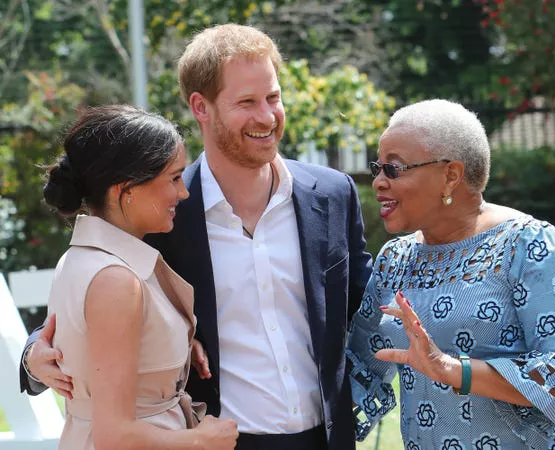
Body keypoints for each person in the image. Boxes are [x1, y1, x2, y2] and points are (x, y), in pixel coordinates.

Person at [21, 24, 372, 450]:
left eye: (273, 98)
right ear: (200, 107)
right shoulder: (160, 211)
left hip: (327, 440)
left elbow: (365, 307)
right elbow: (91, 302)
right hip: (212, 440)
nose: (266, 116)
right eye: (246, 102)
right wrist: (32, 357)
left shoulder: (334, 194)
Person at [346, 99, 555, 449]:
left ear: (451, 175)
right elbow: (359, 370)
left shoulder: (526, 244)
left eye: (395, 169)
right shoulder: (396, 259)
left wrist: (451, 369)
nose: (378, 182)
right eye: (378, 168)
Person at [31, 104, 238, 449]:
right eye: (173, 178)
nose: (183, 193)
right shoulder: (116, 279)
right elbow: (115, 435)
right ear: (125, 190)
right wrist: (202, 440)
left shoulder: (82, 258)